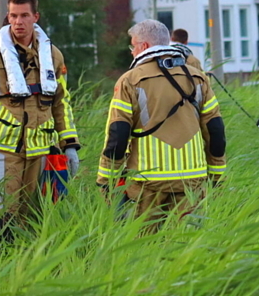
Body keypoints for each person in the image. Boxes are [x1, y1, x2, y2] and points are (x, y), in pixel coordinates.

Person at [0, 0, 80, 244]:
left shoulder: (53, 55)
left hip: (40, 152)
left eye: (24, 15)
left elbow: (61, 103)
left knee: (37, 219)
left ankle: (31, 275)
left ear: (36, 17)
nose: (18, 21)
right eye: (13, 15)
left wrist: (70, 146)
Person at [97, 20, 226, 225]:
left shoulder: (130, 80)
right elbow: (215, 129)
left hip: (148, 182)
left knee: (146, 246)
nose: (132, 52)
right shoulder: (198, 78)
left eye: (133, 46)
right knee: (188, 246)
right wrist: (216, 175)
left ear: (144, 46)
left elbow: (118, 134)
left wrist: (106, 179)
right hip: (192, 180)